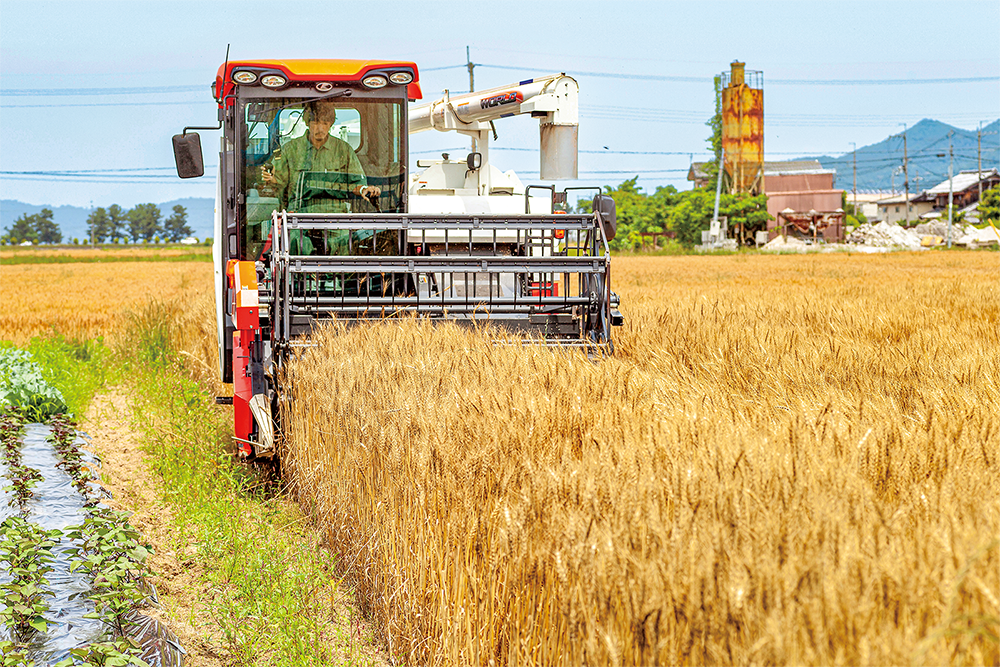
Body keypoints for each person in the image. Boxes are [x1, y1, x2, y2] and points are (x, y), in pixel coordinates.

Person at [260, 101, 380, 213]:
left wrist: (364, 189)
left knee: (344, 236)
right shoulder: (290, 149)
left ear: (331, 124)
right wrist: (270, 178)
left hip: (335, 214)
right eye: (316, 123)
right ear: (307, 123)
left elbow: (356, 183)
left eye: (325, 123)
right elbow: (278, 183)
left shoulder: (343, 149)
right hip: (298, 212)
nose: (320, 128)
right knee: (293, 236)